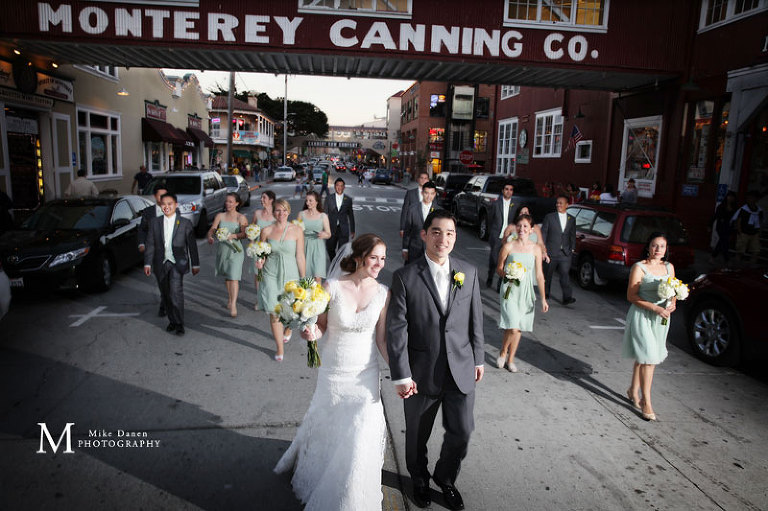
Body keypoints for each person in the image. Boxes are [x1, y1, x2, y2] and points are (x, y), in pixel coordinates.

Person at [274, 234, 390, 510]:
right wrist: (309, 331)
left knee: (362, 429)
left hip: (365, 373)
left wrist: (402, 375)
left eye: (383, 258)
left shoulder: (384, 293)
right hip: (335, 371)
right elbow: (321, 326)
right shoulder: (332, 286)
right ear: (360, 256)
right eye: (374, 257)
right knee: (331, 425)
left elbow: (382, 340)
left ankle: (352, 496)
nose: (379, 264)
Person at [387, 209, 485, 511]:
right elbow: (396, 330)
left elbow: (475, 319)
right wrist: (402, 375)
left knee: (463, 431)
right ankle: (419, 478)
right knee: (417, 435)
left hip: (461, 369)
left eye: (451, 233)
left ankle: (445, 478)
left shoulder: (468, 272)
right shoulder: (405, 276)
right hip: (420, 373)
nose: (444, 239)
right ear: (425, 235)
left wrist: (479, 358)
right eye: (437, 232)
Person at [623, 232, 677, 421]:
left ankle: (632, 390)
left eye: (661, 246)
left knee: (645, 355)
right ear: (648, 247)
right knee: (649, 357)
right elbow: (631, 296)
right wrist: (653, 307)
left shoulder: (669, 267)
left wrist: (673, 303)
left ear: (666, 249)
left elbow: (674, 290)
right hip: (642, 315)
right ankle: (647, 401)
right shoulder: (639, 268)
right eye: (654, 245)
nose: (657, 250)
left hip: (661, 318)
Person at [496, 214, 549, 372]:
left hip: (526, 291)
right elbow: (499, 268)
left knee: (517, 327)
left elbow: (539, 275)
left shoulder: (535, 248)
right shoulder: (508, 246)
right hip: (510, 289)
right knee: (513, 325)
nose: (522, 229)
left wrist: (543, 299)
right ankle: (503, 351)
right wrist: (508, 273)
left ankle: (510, 359)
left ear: (531, 229)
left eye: (525, 226)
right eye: (519, 226)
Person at [255, 199, 305, 361]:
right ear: (273, 212)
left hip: (291, 274)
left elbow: (300, 255)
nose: (281, 214)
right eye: (277, 210)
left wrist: (303, 278)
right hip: (270, 274)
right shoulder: (266, 231)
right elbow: (261, 252)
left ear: (289, 212)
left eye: (284, 210)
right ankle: (280, 348)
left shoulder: (297, 230)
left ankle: (289, 329)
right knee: (274, 312)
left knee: (290, 312)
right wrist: (260, 261)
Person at [143, 193, 200, 336]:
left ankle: (179, 323)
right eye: (164, 204)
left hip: (177, 263)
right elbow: (150, 244)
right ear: (160, 206)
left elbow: (191, 245)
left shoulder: (185, 223)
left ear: (176, 205)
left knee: (175, 292)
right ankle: (172, 320)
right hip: (160, 263)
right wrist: (147, 263)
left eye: (170, 204)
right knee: (166, 294)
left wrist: (195, 264)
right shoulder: (155, 223)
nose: (166, 207)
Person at [207, 193, 248, 318]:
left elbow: (244, 234)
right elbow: (213, 228)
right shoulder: (220, 216)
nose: (228, 204)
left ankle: (234, 303)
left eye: (231, 202)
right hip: (223, 249)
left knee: (234, 276)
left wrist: (233, 236)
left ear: (237, 203)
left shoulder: (241, 218)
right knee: (227, 276)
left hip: (236, 250)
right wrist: (210, 236)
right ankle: (230, 297)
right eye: (226, 201)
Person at [541, 195, 576, 305]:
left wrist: (572, 249)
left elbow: (572, 235)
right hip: (551, 251)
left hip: (565, 253)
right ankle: (545, 293)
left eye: (561, 203)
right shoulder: (549, 217)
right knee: (548, 274)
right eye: (557, 203)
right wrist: (543, 249)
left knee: (565, 274)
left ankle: (567, 297)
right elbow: (544, 233)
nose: (558, 205)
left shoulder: (571, 219)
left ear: (567, 205)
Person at [486, 180, 518, 289]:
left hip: (509, 239)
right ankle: (490, 276)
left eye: (511, 190)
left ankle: (500, 283)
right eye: (506, 189)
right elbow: (490, 219)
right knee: (495, 260)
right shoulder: (496, 204)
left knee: (505, 261)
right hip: (497, 236)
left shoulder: (515, 205)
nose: (508, 191)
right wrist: (491, 233)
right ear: (502, 191)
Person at [401, 180, 437, 265]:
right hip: (414, 248)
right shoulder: (412, 209)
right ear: (422, 193)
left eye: (432, 193)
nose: (429, 196)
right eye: (426, 193)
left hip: (431, 249)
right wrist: (405, 248)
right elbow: (407, 230)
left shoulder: (439, 211)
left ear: (435, 194)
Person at [251, 191, 277, 307]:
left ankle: (271, 296)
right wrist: (251, 243)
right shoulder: (257, 213)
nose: (262, 199)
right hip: (258, 248)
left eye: (264, 198)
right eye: (261, 197)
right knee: (258, 274)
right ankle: (260, 298)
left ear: (271, 200)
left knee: (271, 274)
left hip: (272, 249)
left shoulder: (277, 215)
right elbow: (252, 229)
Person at [299, 191, 331, 281]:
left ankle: (317, 295)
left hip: (318, 246)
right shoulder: (301, 215)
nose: (307, 203)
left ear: (317, 202)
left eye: (310, 201)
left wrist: (324, 234)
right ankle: (306, 295)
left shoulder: (323, 216)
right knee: (305, 276)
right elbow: (297, 231)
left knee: (317, 277)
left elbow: (329, 234)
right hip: (304, 245)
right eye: (306, 201)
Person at [324, 178, 355, 261]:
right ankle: (334, 262)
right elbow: (324, 215)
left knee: (342, 251)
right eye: (337, 185)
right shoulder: (328, 198)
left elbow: (351, 215)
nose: (339, 187)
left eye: (341, 186)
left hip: (343, 229)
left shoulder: (348, 199)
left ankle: (339, 266)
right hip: (331, 229)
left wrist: (352, 230)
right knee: (330, 248)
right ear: (334, 186)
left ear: (344, 187)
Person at [732, 191, 764, 265]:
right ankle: (737, 265)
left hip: (754, 233)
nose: (751, 199)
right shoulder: (744, 209)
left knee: (756, 250)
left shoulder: (759, 210)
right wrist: (740, 232)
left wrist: (759, 231)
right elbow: (739, 220)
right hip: (744, 232)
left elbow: (760, 221)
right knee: (740, 251)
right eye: (749, 198)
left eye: (753, 198)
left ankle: (752, 265)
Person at [399, 170, 430, 238]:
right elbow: (405, 211)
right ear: (418, 179)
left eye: (425, 178)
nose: (423, 180)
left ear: (428, 180)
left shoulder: (432, 195)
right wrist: (402, 228)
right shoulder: (410, 193)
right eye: (421, 178)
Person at [709, 191, 737, 265]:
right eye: (729, 196)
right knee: (724, 242)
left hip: (729, 227)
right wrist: (709, 225)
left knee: (722, 242)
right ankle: (726, 259)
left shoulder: (735, 207)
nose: (730, 198)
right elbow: (715, 216)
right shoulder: (721, 206)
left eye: (732, 197)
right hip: (721, 226)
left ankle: (713, 257)